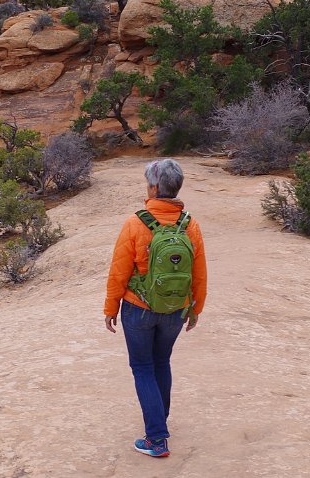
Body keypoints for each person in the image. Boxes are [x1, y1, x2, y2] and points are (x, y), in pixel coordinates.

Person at [104, 158, 207, 459]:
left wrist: (110, 307)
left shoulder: (136, 223)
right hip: (175, 308)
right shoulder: (190, 224)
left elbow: (119, 271)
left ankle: (156, 438)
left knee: (143, 367)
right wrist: (195, 307)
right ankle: (159, 420)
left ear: (153, 187)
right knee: (161, 362)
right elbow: (199, 272)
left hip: (138, 308)